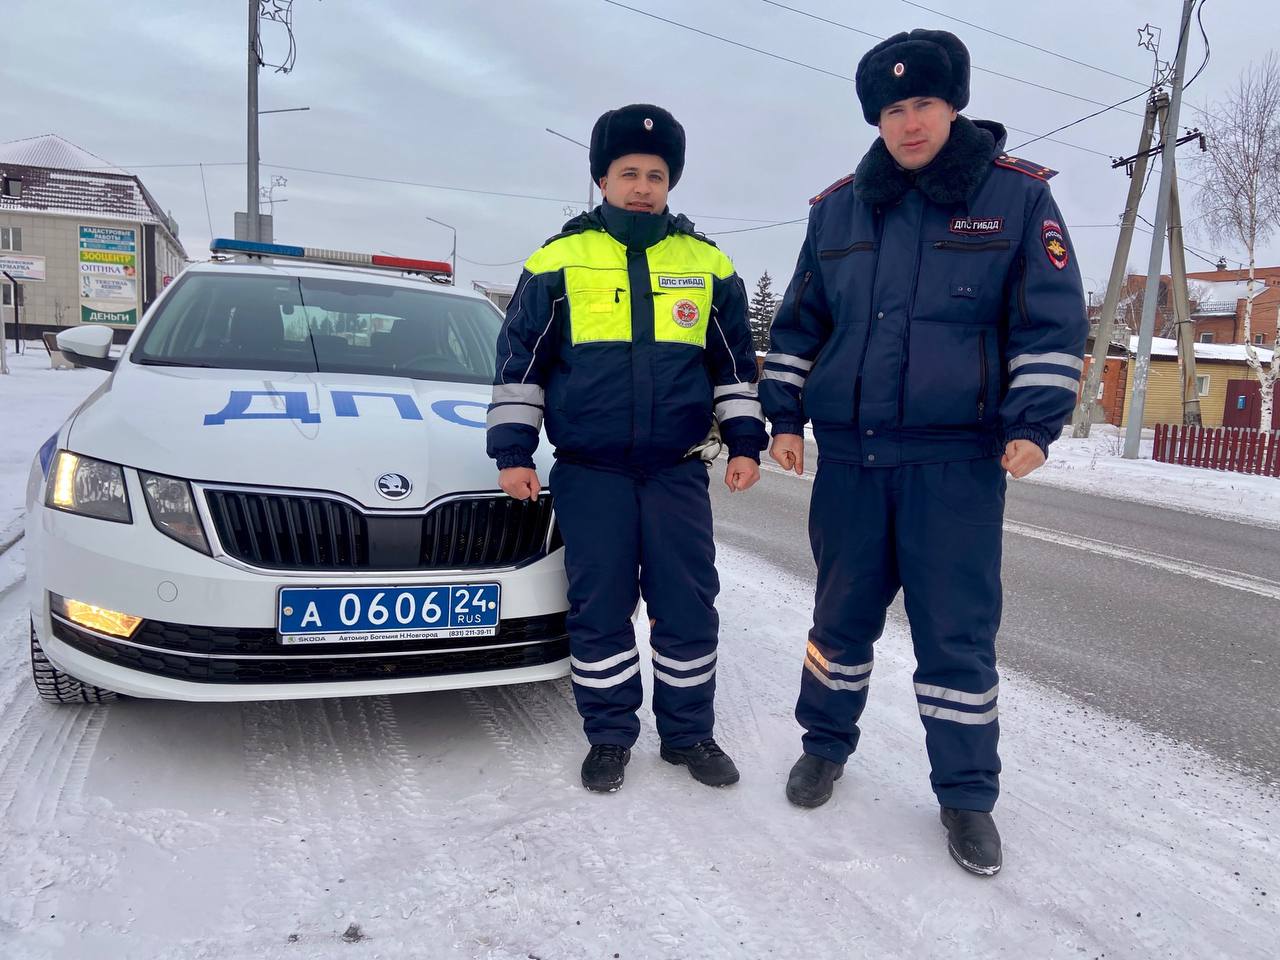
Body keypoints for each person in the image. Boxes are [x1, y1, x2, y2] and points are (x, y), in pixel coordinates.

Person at [760, 29, 1086, 875]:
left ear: (955, 106)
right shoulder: (837, 209)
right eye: (894, 109)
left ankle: (967, 799)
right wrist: (784, 416)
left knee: (957, 639)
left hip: (958, 466)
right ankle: (825, 746)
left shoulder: (1015, 200)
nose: (910, 123)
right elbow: (799, 325)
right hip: (855, 463)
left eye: (925, 105)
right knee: (839, 621)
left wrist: (1032, 421)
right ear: (877, 118)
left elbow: (1050, 324)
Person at [487, 104, 766, 793]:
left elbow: (734, 366)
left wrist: (744, 443)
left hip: (674, 472)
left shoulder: (706, 265)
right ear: (602, 178)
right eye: (628, 173)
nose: (642, 186)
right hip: (592, 472)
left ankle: (688, 733)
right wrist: (514, 453)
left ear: (670, 182)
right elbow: (520, 364)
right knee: (600, 606)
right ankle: (610, 736)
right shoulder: (558, 260)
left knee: (688, 604)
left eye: (656, 174)